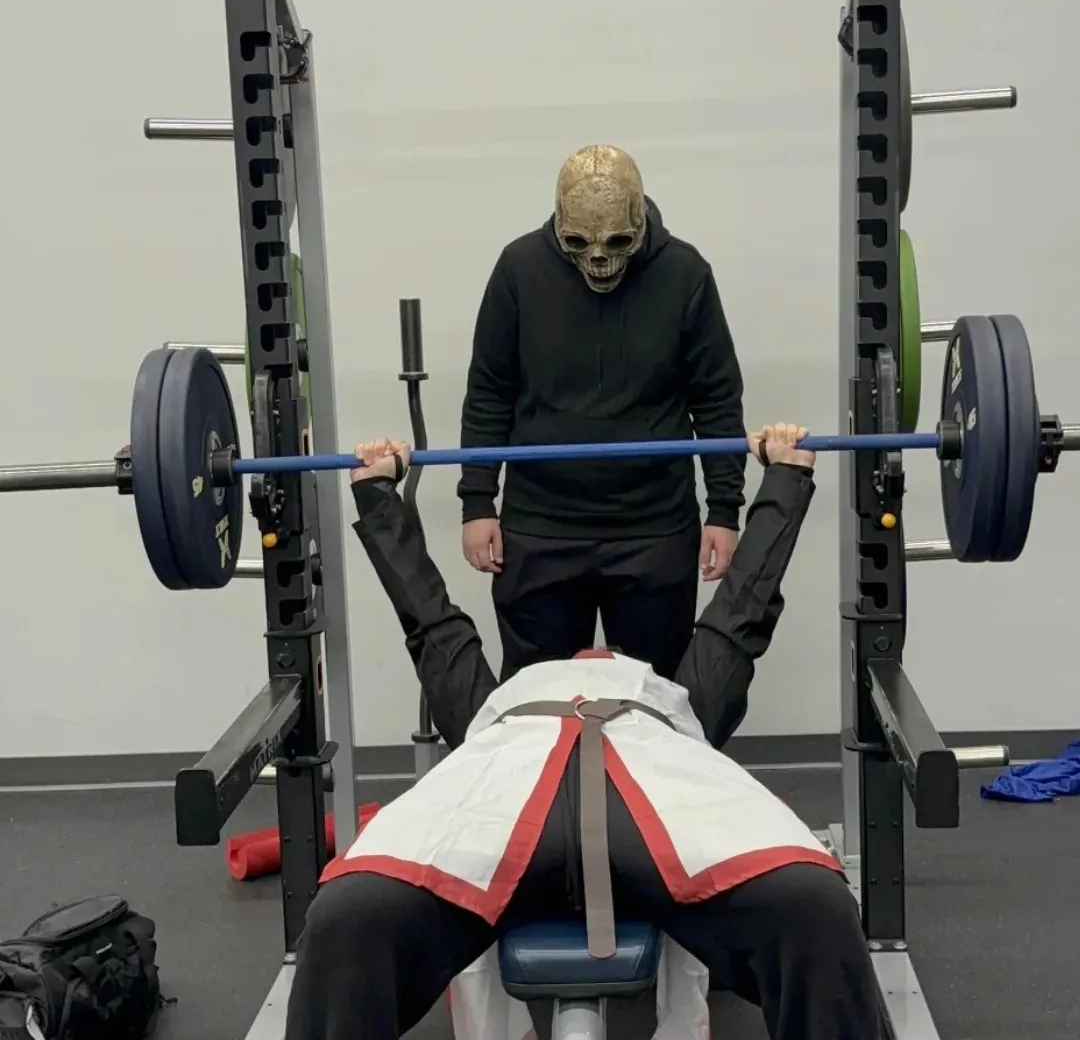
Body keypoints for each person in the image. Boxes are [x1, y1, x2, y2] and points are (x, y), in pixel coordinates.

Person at [283, 424, 881, 1040]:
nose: (593, 652)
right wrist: (377, 494)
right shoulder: (500, 707)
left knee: (818, 908)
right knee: (344, 919)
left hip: (658, 810)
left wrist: (788, 473)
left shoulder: (669, 700)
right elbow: (430, 622)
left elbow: (743, 607)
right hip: (503, 806)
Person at [458, 145, 746, 682]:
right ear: (560, 225)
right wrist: (477, 501)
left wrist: (724, 511)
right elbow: (490, 391)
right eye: (578, 244)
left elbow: (716, 398)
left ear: (638, 222)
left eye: (616, 243)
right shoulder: (519, 269)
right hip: (541, 527)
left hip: (654, 530)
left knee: (658, 707)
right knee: (536, 712)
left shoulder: (685, 272)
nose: (598, 259)